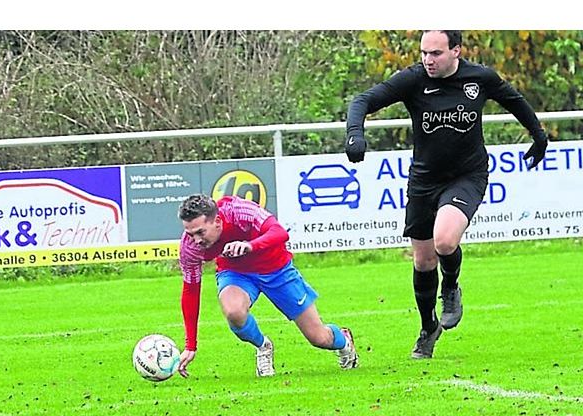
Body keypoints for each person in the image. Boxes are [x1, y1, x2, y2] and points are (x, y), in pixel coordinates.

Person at [345, 30, 547, 359]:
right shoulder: (413, 79)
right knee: (423, 261)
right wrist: (355, 134)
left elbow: (515, 101)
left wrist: (538, 136)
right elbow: (362, 101)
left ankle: (450, 286)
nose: (428, 60)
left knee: (444, 241)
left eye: (436, 53)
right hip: (424, 181)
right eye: (424, 52)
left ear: (456, 50)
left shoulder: (478, 78)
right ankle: (428, 329)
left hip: (467, 175)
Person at [177, 193, 358, 378]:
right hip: (237, 273)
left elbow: (280, 232)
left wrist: (250, 245)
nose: (196, 240)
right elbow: (191, 291)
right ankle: (263, 346)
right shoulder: (190, 247)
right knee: (233, 312)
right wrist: (190, 345)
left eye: (200, 232)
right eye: (190, 234)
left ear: (216, 221)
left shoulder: (239, 212)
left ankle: (343, 340)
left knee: (319, 338)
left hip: (277, 270)